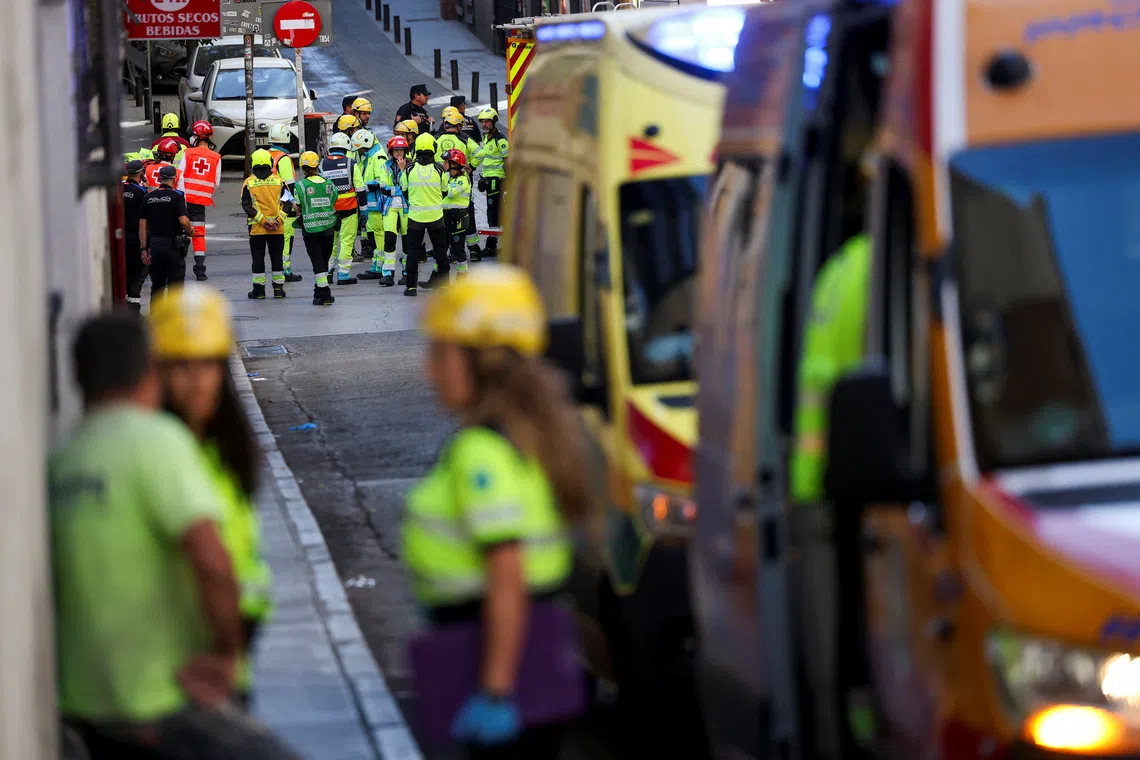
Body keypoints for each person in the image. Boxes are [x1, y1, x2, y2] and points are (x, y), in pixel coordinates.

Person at [51, 313, 299, 759]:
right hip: (161, 699)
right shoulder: (158, 442)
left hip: (84, 704)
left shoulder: (63, 459)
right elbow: (210, 557)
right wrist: (228, 655)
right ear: (151, 372)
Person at [402, 265, 588, 758]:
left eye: (439, 353)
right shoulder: (522, 436)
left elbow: (507, 573)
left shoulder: (481, 452)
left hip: (495, 656)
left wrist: (496, 690)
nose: (429, 370)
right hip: (525, 647)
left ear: (481, 363)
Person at [148, 285, 274, 707]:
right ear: (158, 372)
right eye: (180, 366)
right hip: (187, 672)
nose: (196, 380)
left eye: (207, 364)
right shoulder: (159, 454)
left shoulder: (226, 450)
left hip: (233, 665)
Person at [400, 132, 451, 296]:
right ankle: (444, 285)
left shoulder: (408, 170)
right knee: (440, 251)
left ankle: (411, 287)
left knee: (413, 252)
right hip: (436, 218)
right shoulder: (440, 169)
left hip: (415, 218)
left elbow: (404, 191)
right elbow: (445, 191)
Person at [241, 148, 294, 300]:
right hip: (277, 230)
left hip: (257, 230)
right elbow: (288, 204)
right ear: (270, 163)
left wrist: (263, 221)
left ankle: (259, 291)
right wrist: (278, 220)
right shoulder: (279, 181)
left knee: (258, 260)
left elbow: (246, 206)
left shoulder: (249, 183)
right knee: (277, 259)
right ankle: (278, 290)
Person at [175, 120, 222, 282]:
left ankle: (177, 266)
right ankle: (200, 270)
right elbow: (216, 183)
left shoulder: (188, 153)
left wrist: (180, 196)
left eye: (194, 135)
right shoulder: (216, 157)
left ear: (199, 136)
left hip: (183, 200)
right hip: (200, 202)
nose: (192, 138)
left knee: (179, 232)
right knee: (199, 234)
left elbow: (179, 176)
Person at [361, 135, 410, 287]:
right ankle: (388, 273)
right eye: (396, 151)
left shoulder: (410, 167)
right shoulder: (385, 166)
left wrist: (402, 172)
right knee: (390, 240)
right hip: (390, 207)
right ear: (390, 152)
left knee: (408, 242)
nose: (399, 154)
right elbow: (384, 188)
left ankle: (407, 272)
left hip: (406, 208)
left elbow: (409, 187)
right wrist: (400, 189)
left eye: (401, 150)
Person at [320, 132, 367, 285]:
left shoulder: (322, 164)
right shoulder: (351, 163)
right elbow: (360, 189)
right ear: (346, 147)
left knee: (330, 242)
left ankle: (328, 272)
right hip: (349, 210)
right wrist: (364, 210)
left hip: (329, 211)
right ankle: (344, 275)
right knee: (346, 241)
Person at [293, 151, 339, 305]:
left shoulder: (300, 186)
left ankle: (325, 293)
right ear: (317, 165)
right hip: (328, 227)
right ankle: (318, 292)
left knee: (317, 260)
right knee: (324, 259)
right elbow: (334, 199)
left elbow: (297, 208)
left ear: (303, 168)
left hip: (311, 230)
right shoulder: (328, 183)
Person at [435, 113, 483, 262]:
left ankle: (449, 252)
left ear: (445, 125)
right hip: (461, 180)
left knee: (444, 220)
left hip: (440, 181)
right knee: (467, 218)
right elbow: (480, 153)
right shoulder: (464, 138)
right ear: (459, 126)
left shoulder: (436, 138)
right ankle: (473, 250)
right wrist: (471, 166)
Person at [140, 165, 194, 297]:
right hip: (173, 246)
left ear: (160, 179)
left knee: (157, 285)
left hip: (155, 245)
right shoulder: (177, 196)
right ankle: (174, 316)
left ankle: (156, 316)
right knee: (175, 286)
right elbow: (183, 220)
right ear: (174, 179)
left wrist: (143, 249)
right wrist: (190, 230)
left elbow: (142, 225)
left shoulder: (148, 197)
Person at [266, 124, 303, 283]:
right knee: (286, 238)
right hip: (283, 205)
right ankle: (284, 270)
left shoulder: (265, 155)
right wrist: (296, 204)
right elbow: (290, 185)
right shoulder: (284, 159)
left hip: (268, 203)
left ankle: (277, 269)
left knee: (271, 240)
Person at [471, 108, 508, 258]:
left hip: (497, 181)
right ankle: (495, 244)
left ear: (494, 122)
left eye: (487, 122)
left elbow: (508, 163)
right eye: (483, 122)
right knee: (492, 213)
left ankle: (492, 246)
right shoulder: (487, 138)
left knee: (493, 214)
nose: (484, 124)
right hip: (489, 180)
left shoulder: (500, 140)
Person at [353, 129, 385, 269]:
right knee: (375, 234)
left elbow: (381, 181)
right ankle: (377, 264)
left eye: (360, 149)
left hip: (376, 204)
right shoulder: (370, 156)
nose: (359, 152)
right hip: (371, 205)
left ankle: (379, 265)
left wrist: (364, 186)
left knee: (379, 234)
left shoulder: (378, 157)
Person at [122, 160, 148, 312]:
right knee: (136, 275)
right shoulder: (142, 193)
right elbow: (145, 220)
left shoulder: (118, 189)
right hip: (134, 238)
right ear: (141, 173)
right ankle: (133, 309)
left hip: (119, 237)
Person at [442, 150, 473, 276]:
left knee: (457, 250)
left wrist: (441, 179)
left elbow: (450, 193)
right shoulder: (449, 177)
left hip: (458, 219)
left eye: (446, 162)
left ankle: (463, 276)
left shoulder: (462, 180)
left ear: (454, 164)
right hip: (447, 217)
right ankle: (438, 277)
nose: (444, 164)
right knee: (441, 248)